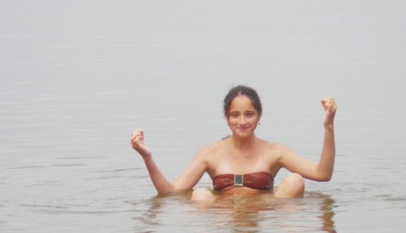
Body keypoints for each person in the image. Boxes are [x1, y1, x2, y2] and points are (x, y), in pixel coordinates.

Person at [130, 85, 337, 202]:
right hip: (224, 220)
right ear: (226, 118)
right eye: (235, 115)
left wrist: (328, 126)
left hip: (264, 216)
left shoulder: (274, 152)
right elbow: (170, 192)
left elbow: (322, 174)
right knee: (200, 195)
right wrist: (147, 158)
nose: (242, 122)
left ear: (259, 116)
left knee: (295, 180)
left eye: (249, 114)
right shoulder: (211, 153)